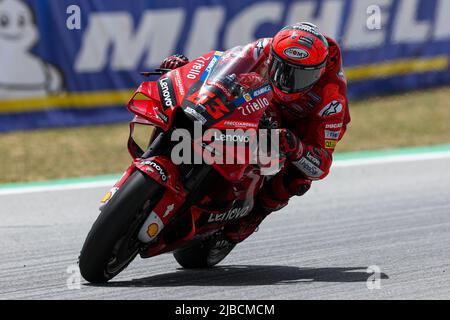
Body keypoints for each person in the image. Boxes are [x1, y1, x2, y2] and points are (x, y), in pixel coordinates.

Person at [160, 22, 351, 243]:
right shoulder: (264, 48)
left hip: (295, 129)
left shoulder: (332, 99)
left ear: (319, 72)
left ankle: (256, 213)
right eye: (283, 70)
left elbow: (321, 165)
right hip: (259, 104)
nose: (288, 82)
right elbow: (221, 67)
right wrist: (186, 69)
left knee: (298, 179)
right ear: (273, 58)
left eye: (300, 77)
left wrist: (295, 146)